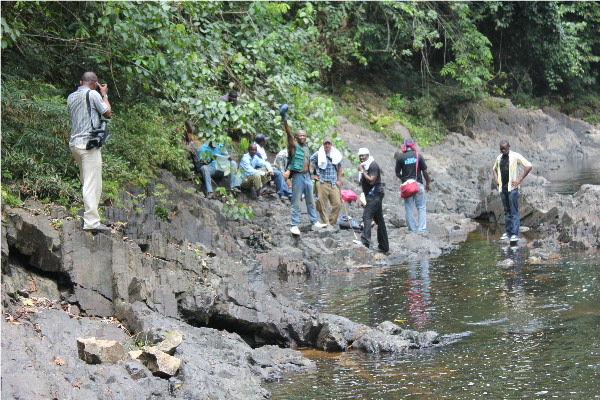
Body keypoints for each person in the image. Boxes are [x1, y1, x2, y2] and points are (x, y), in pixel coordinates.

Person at [67, 71, 112, 232]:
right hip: (88, 145)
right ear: (95, 84)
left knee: (87, 181)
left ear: (81, 82)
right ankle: (92, 223)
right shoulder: (93, 94)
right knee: (92, 184)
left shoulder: (71, 97)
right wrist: (104, 94)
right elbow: (107, 113)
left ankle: (89, 218)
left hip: (75, 145)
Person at [281, 107, 327, 235]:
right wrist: (284, 119)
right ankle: (294, 225)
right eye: (300, 135)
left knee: (310, 201)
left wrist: (313, 174)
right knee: (296, 201)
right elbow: (288, 134)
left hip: (307, 177)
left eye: (304, 135)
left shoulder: (306, 149)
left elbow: (309, 163)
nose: (302, 137)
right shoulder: (293, 146)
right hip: (298, 177)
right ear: (296, 137)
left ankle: (314, 222)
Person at [492, 140, 532, 242]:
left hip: (512, 188)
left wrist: (519, 179)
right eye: (501, 148)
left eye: (504, 148)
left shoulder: (515, 156)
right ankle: (508, 232)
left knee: (514, 211)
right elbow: (494, 169)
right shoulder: (499, 158)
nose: (503, 150)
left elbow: (529, 166)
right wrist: (495, 178)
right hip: (502, 188)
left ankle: (515, 234)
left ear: (509, 147)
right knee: (506, 211)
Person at [355, 148, 389, 253]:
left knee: (367, 216)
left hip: (375, 195)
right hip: (371, 195)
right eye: (360, 156)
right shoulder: (366, 165)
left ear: (368, 155)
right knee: (379, 221)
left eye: (363, 155)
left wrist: (362, 171)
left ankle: (365, 242)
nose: (361, 157)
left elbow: (371, 181)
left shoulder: (373, 165)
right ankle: (384, 246)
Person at [395, 138, 431, 234]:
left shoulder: (400, 158)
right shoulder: (418, 156)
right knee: (421, 207)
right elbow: (425, 171)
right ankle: (422, 229)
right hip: (418, 184)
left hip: (407, 186)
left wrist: (404, 179)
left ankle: (412, 230)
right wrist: (427, 183)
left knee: (409, 208)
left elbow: (397, 173)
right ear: (413, 145)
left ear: (405, 146)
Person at [310, 137, 343, 225]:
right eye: (325, 143)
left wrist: (339, 180)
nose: (327, 145)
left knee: (337, 204)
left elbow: (340, 167)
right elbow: (310, 162)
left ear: (331, 144)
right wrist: (312, 175)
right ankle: (326, 224)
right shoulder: (318, 154)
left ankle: (331, 223)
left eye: (329, 143)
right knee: (321, 205)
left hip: (333, 183)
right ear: (323, 144)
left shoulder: (336, 154)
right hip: (321, 182)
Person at [254, 133, 292, 200]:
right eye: (264, 140)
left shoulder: (260, 148)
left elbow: (261, 162)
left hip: (263, 168)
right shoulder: (256, 150)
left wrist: (271, 165)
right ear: (262, 142)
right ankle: (282, 193)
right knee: (278, 174)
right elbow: (258, 164)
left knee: (277, 172)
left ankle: (284, 193)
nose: (266, 142)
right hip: (259, 170)